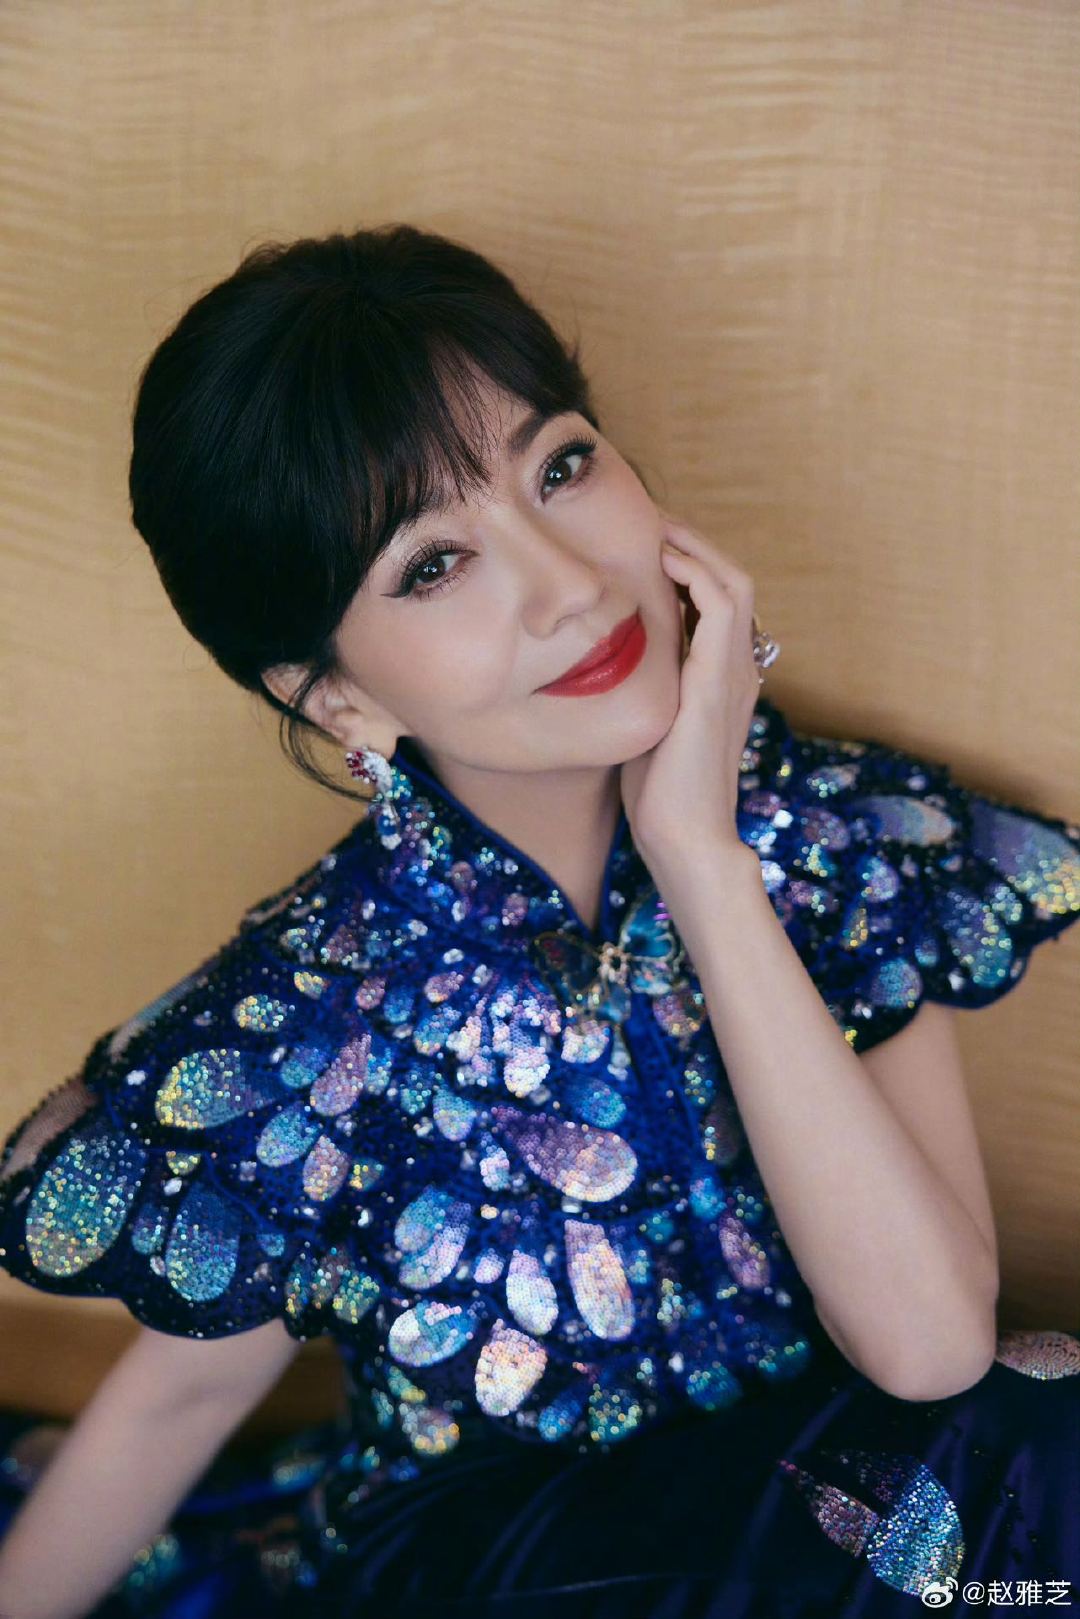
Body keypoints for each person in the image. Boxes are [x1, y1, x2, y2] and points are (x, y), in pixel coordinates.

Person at [0, 222, 1077, 1619]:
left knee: (1040, 1444)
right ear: (338, 698)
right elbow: (182, 1397)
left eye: (560, 467)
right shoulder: (321, 1007)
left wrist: (702, 859)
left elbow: (931, 1348)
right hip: (493, 1569)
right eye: (433, 565)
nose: (570, 583)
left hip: (811, 1516)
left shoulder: (817, 837)